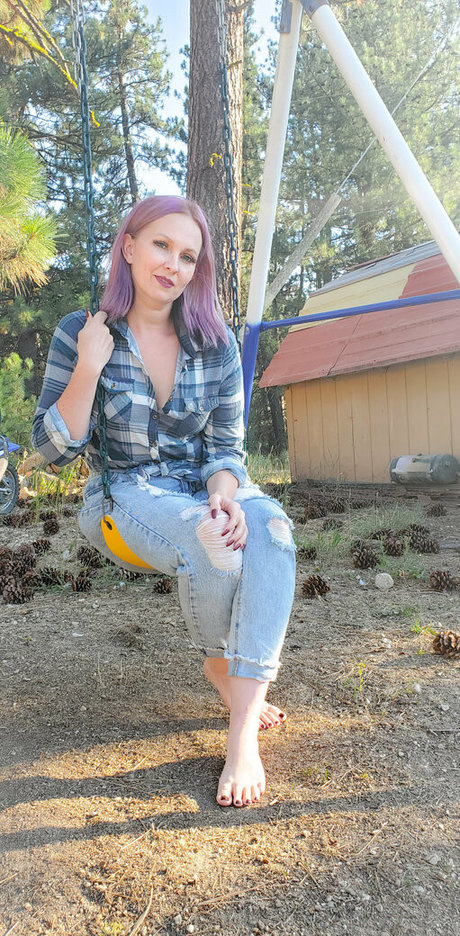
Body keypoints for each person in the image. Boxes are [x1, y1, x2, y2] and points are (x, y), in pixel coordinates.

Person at [33, 195, 296, 808]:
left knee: (271, 529)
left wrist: (224, 496)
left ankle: (241, 722)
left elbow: (226, 450)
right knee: (212, 545)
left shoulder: (214, 342)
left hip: (204, 486)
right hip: (125, 493)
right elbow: (53, 451)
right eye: (160, 245)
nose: (172, 264)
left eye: (187, 256)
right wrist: (88, 369)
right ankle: (223, 669)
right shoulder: (83, 331)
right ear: (128, 246)